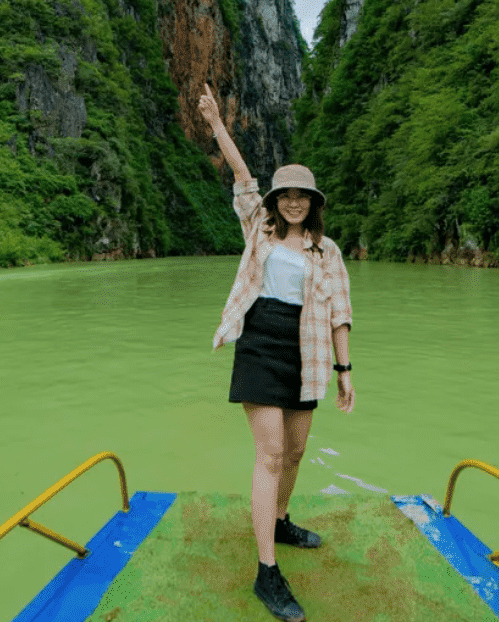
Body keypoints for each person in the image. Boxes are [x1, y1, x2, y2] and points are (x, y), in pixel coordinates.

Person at [198, 82, 354, 622]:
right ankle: (267, 573)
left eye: (301, 195)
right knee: (268, 454)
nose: (292, 201)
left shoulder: (325, 250)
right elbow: (242, 178)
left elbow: (338, 310)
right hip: (261, 343)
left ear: (312, 203)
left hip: (307, 353)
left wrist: (345, 369)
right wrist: (218, 124)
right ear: (274, 201)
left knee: (293, 452)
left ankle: (281, 520)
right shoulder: (259, 230)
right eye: (285, 193)